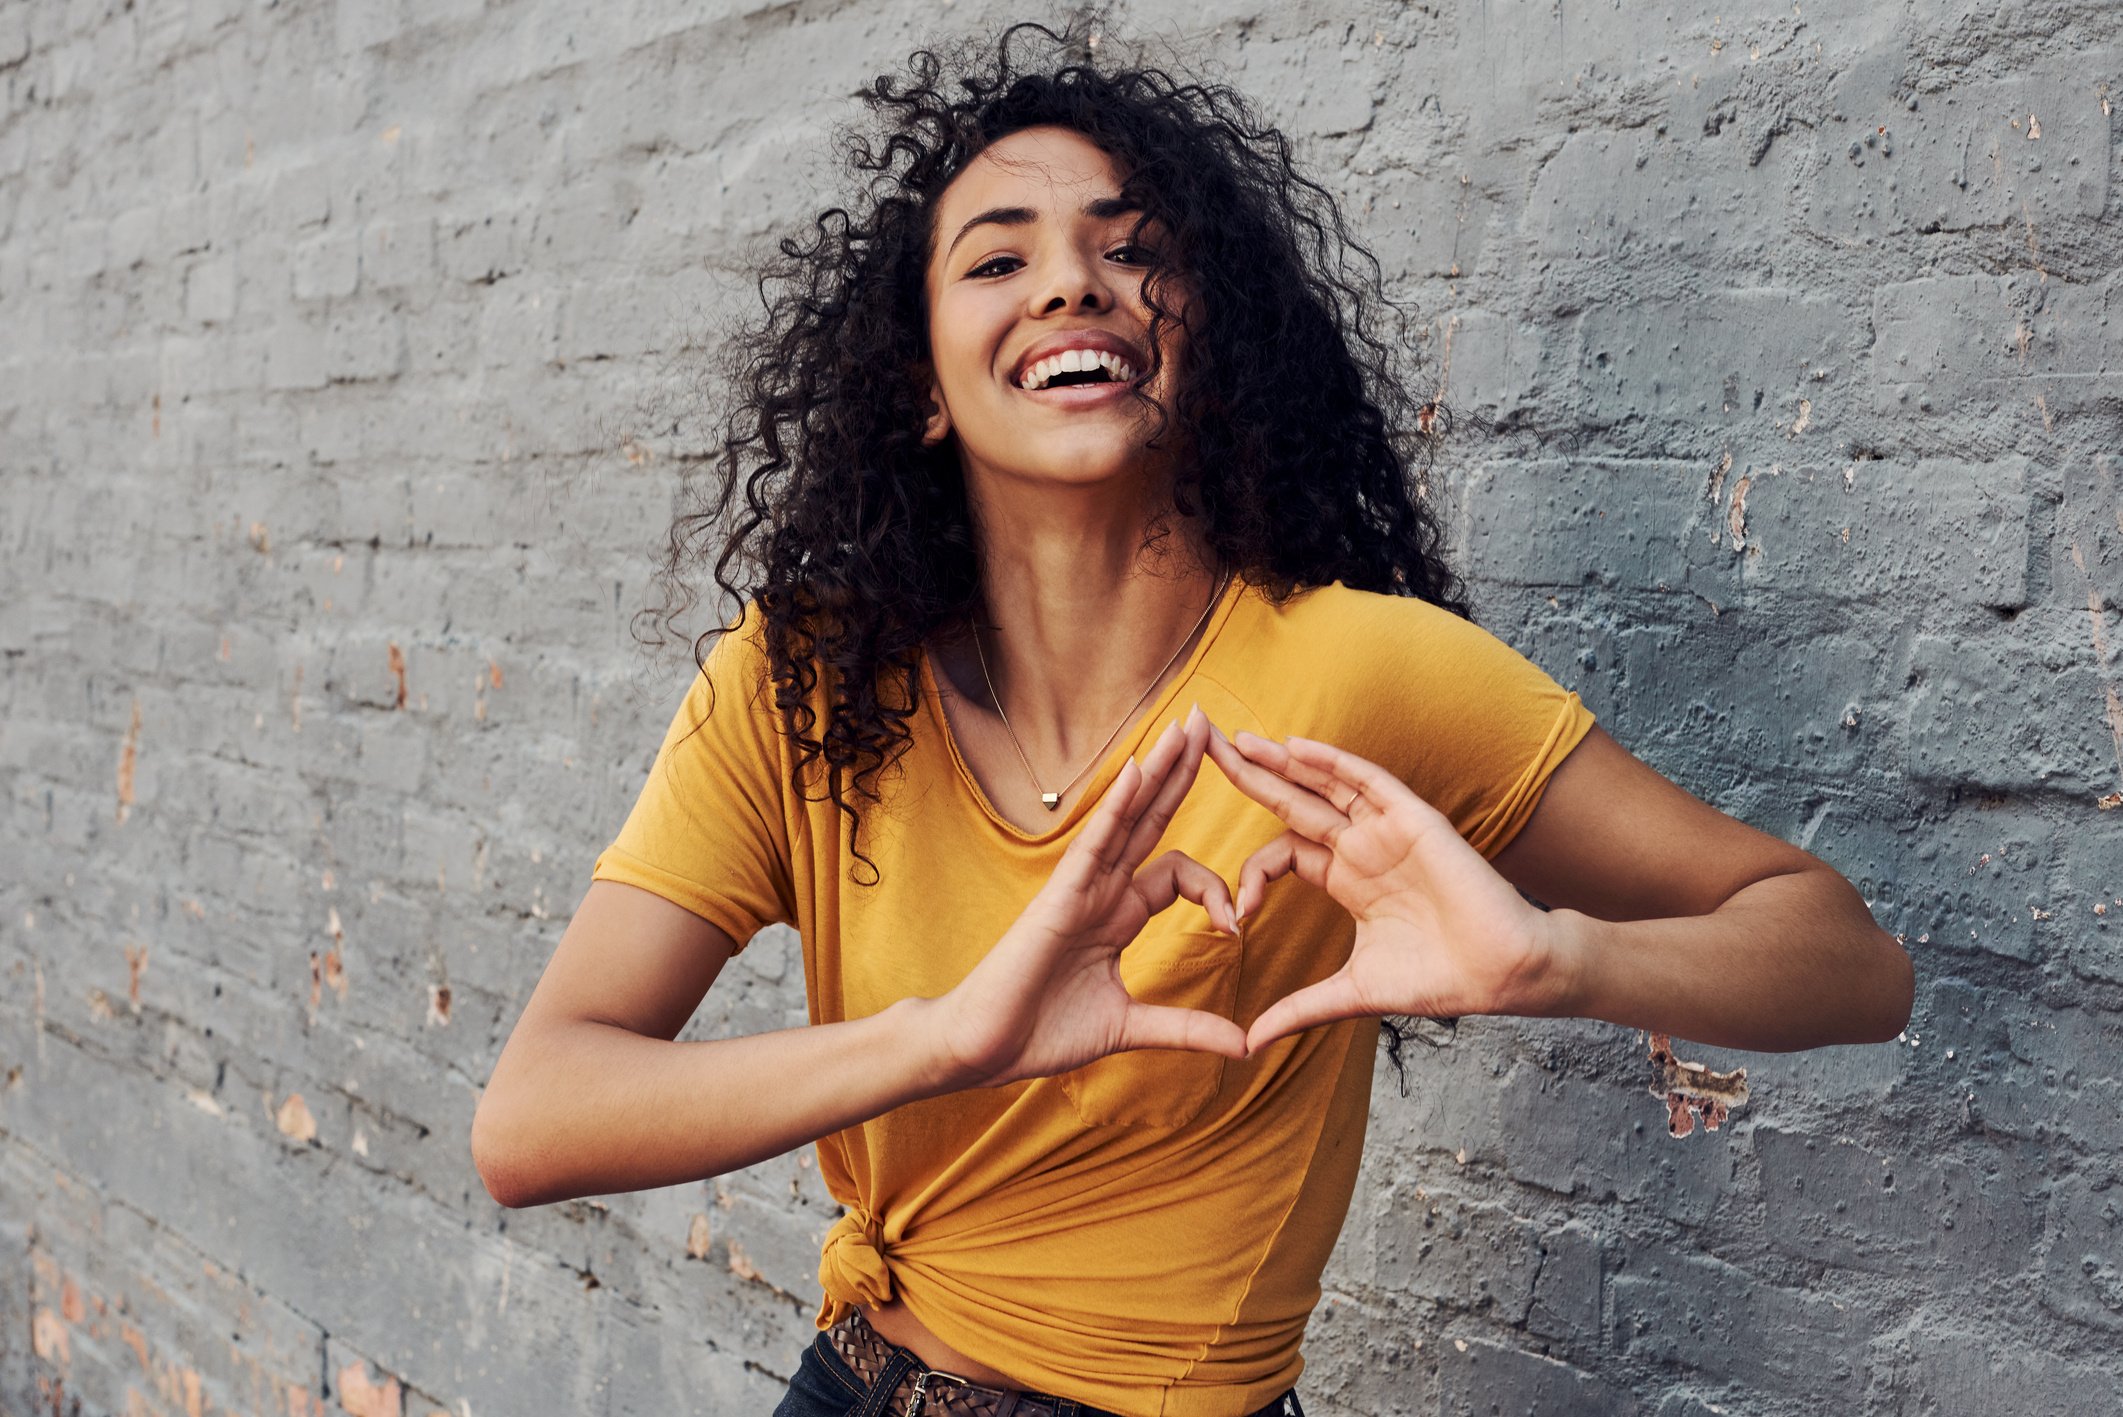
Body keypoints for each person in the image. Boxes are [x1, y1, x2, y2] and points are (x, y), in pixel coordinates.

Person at [470, 22, 1915, 1417]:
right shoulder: (808, 683)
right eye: (998, 259)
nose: (1071, 285)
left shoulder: (1365, 674)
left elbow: (1851, 962)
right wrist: (950, 1035)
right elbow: (534, 1118)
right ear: (920, 381)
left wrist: (1563, 958)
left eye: (1134, 249)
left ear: (1205, 332)